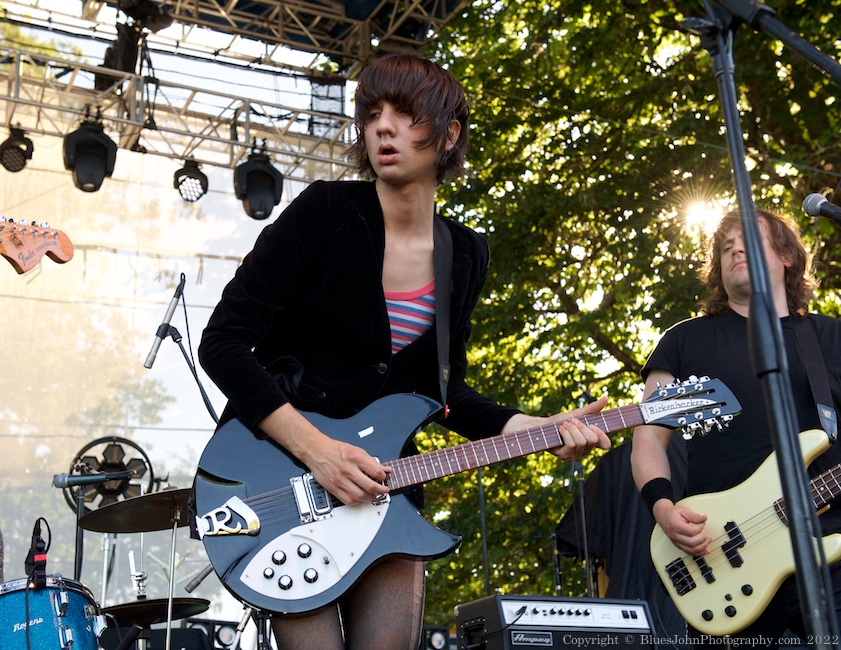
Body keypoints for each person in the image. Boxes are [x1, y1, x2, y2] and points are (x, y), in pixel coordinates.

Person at [198, 52, 611, 650]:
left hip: (386, 487)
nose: (382, 127)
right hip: (281, 473)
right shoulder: (326, 213)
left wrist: (543, 428)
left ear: (448, 135)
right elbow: (225, 344)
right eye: (371, 113)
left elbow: (443, 397)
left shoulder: (465, 253)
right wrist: (318, 453)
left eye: (405, 112)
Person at [630, 208, 841, 647]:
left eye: (748, 239)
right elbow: (649, 437)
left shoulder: (828, 338)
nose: (735, 249)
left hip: (831, 547)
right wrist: (663, 508)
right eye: (725, 247)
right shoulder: (686, 341)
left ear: (786, 254)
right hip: (724, 550)